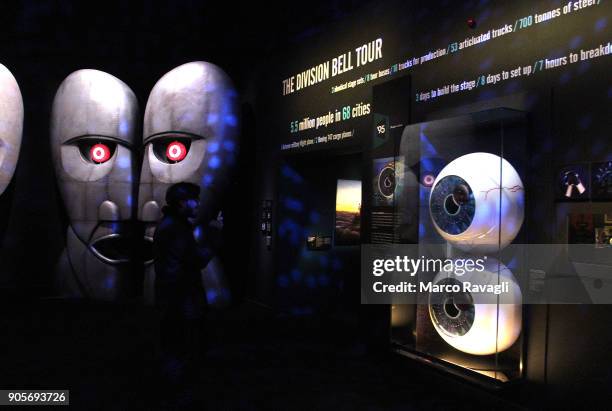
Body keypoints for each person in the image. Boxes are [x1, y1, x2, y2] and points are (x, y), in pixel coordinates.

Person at [153, 182, 213, 406]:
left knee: (174, 345)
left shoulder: (171, 225)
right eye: (193, 200)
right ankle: (177, 395)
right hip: (180, 300)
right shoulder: (176, 228)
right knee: (181, 346)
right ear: (181, 202)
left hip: (172, 298)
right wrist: (214, 238)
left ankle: (173, 390)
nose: (197, 203)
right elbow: (195, 261)